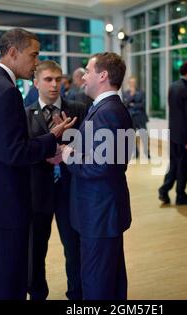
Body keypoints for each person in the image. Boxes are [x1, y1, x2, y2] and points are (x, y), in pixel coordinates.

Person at [0, 28, 75, 300]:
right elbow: (14, 152)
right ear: (13, 52)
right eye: (33, 54)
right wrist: (53, 137)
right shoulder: (6, 91)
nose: (36, 62)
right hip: (5, 196)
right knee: (11, 276)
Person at [62, 52, 133, 300]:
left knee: (97, 283)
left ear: (102, 76)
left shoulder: (107, 112)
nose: (83, 77)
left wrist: (67, 155)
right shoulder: (106, 108)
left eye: (88, 71)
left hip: (99, 212)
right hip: (103, 211)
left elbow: (100, 167)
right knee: (109, 279)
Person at [25, 60, 87, 300]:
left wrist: (69, 151)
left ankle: (77, 296)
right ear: (36, 82)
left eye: (58, 79)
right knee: (36, 251)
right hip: (37, 193)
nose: (54, 85)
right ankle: (38, 295)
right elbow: (22, 153)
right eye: (48, 79)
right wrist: (47, 152)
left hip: (71, 191)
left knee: (74, 249)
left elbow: (92, 148)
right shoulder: (25, 113)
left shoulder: (79, 109)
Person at [158, 61, 187, 205]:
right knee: (184, 166)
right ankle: (180, 195)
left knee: (174, 164)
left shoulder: (173, 87)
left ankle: (164, 189)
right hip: (184, 136)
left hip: (174, 133)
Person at [122, 76, 149, 159]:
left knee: (144, 135)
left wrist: (132, 105)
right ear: (129, 83)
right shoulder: (125, 93)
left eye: (134, 82)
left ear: (135, 83)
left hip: (140, 117)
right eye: (131, 82)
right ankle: (136, 153)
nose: (132, 83)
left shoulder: (141, 93)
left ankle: (147, 152)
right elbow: (125, 104)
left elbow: (142, 105)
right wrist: (132, 96)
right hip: (131, 118)